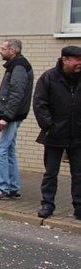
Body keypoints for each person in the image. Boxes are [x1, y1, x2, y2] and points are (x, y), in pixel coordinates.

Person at [32, 45, 81, 219]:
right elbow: (40, 103)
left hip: (77, 134)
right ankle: (47, 203)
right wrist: (49, 126)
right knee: (51, 172)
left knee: (79, 173)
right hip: (54, 133)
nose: (79, 63)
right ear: (65, 60)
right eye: (77, 59)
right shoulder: (49, 78)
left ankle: (79, 206)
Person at [0, 39, 33, 200]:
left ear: (13, 50)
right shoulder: (17, 65)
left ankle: (3, 188)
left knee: (0, 150)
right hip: (12, 115)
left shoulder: (18, 67)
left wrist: (6, 117)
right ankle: (12, 186)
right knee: (9, 150)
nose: (0, 51)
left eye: (3, 48)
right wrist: (1, 116)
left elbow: (16, 94)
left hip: (12, 116)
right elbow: (10, 94)